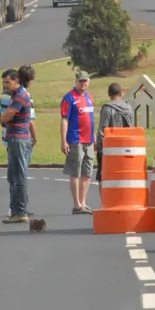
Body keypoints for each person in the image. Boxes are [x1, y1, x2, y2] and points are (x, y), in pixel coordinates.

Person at [0, 64, 37, 224]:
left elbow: (5, 117)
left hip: (19, 139)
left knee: (19, 177)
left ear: (16, 81)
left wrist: (4, 117)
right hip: (14, 138)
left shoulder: (20, 96)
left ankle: (20, 211)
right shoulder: (15, 95)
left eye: (7, 82)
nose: (5, 85)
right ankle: (16, 210)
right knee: (13, 176)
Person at [61, 70, 96, 214]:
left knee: (87, 172)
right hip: (76, 139)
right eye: (81, 81)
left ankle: (83, 202)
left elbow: (91, 119)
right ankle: (76, 205)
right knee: (75, 172)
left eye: (85, 81)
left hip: (89, 140)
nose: (83, 83)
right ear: (76, 81)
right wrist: (64, 140)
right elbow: (64, 119)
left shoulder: (89, 97)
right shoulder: (69, 98)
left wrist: (93, 137)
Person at [95, 83, 134, 190]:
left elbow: (103, 129)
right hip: (125, 147)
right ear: (121, 93)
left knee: (102, 176)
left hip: (109, 148)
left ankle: (105, 202)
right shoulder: (129, 108)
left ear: (109, 94)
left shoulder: (107, 109)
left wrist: (99, 147)